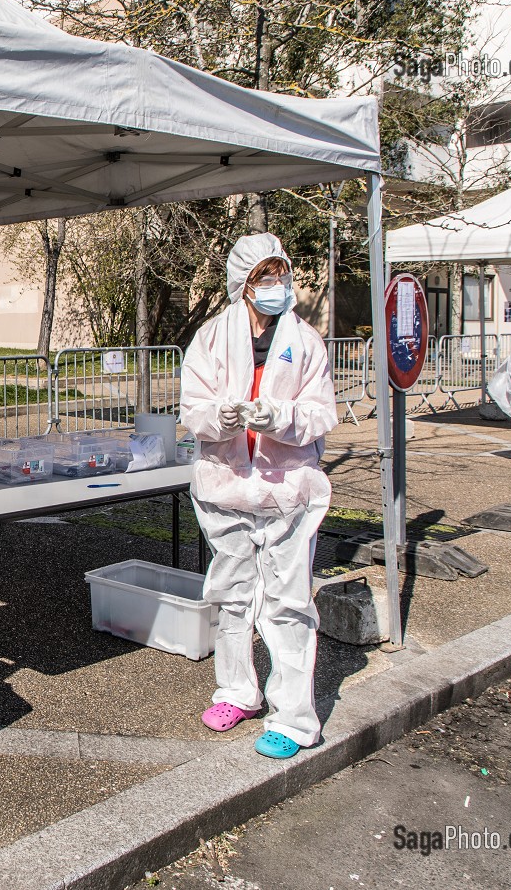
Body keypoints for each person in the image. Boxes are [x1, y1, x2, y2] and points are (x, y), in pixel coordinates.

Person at [180, 233, 338, 760]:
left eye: (281, 274)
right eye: (264, 277)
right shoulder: (211, 337)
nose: (277, 285)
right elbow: (192, 407)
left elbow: (321, 413)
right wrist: (219, 418)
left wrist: (281, 418)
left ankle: (293, 719)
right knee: (231, 596)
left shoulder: (306, 341)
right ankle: (236, 692)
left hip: (286, 490)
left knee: (288, 603)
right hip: (226, 488)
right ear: (243, 284)